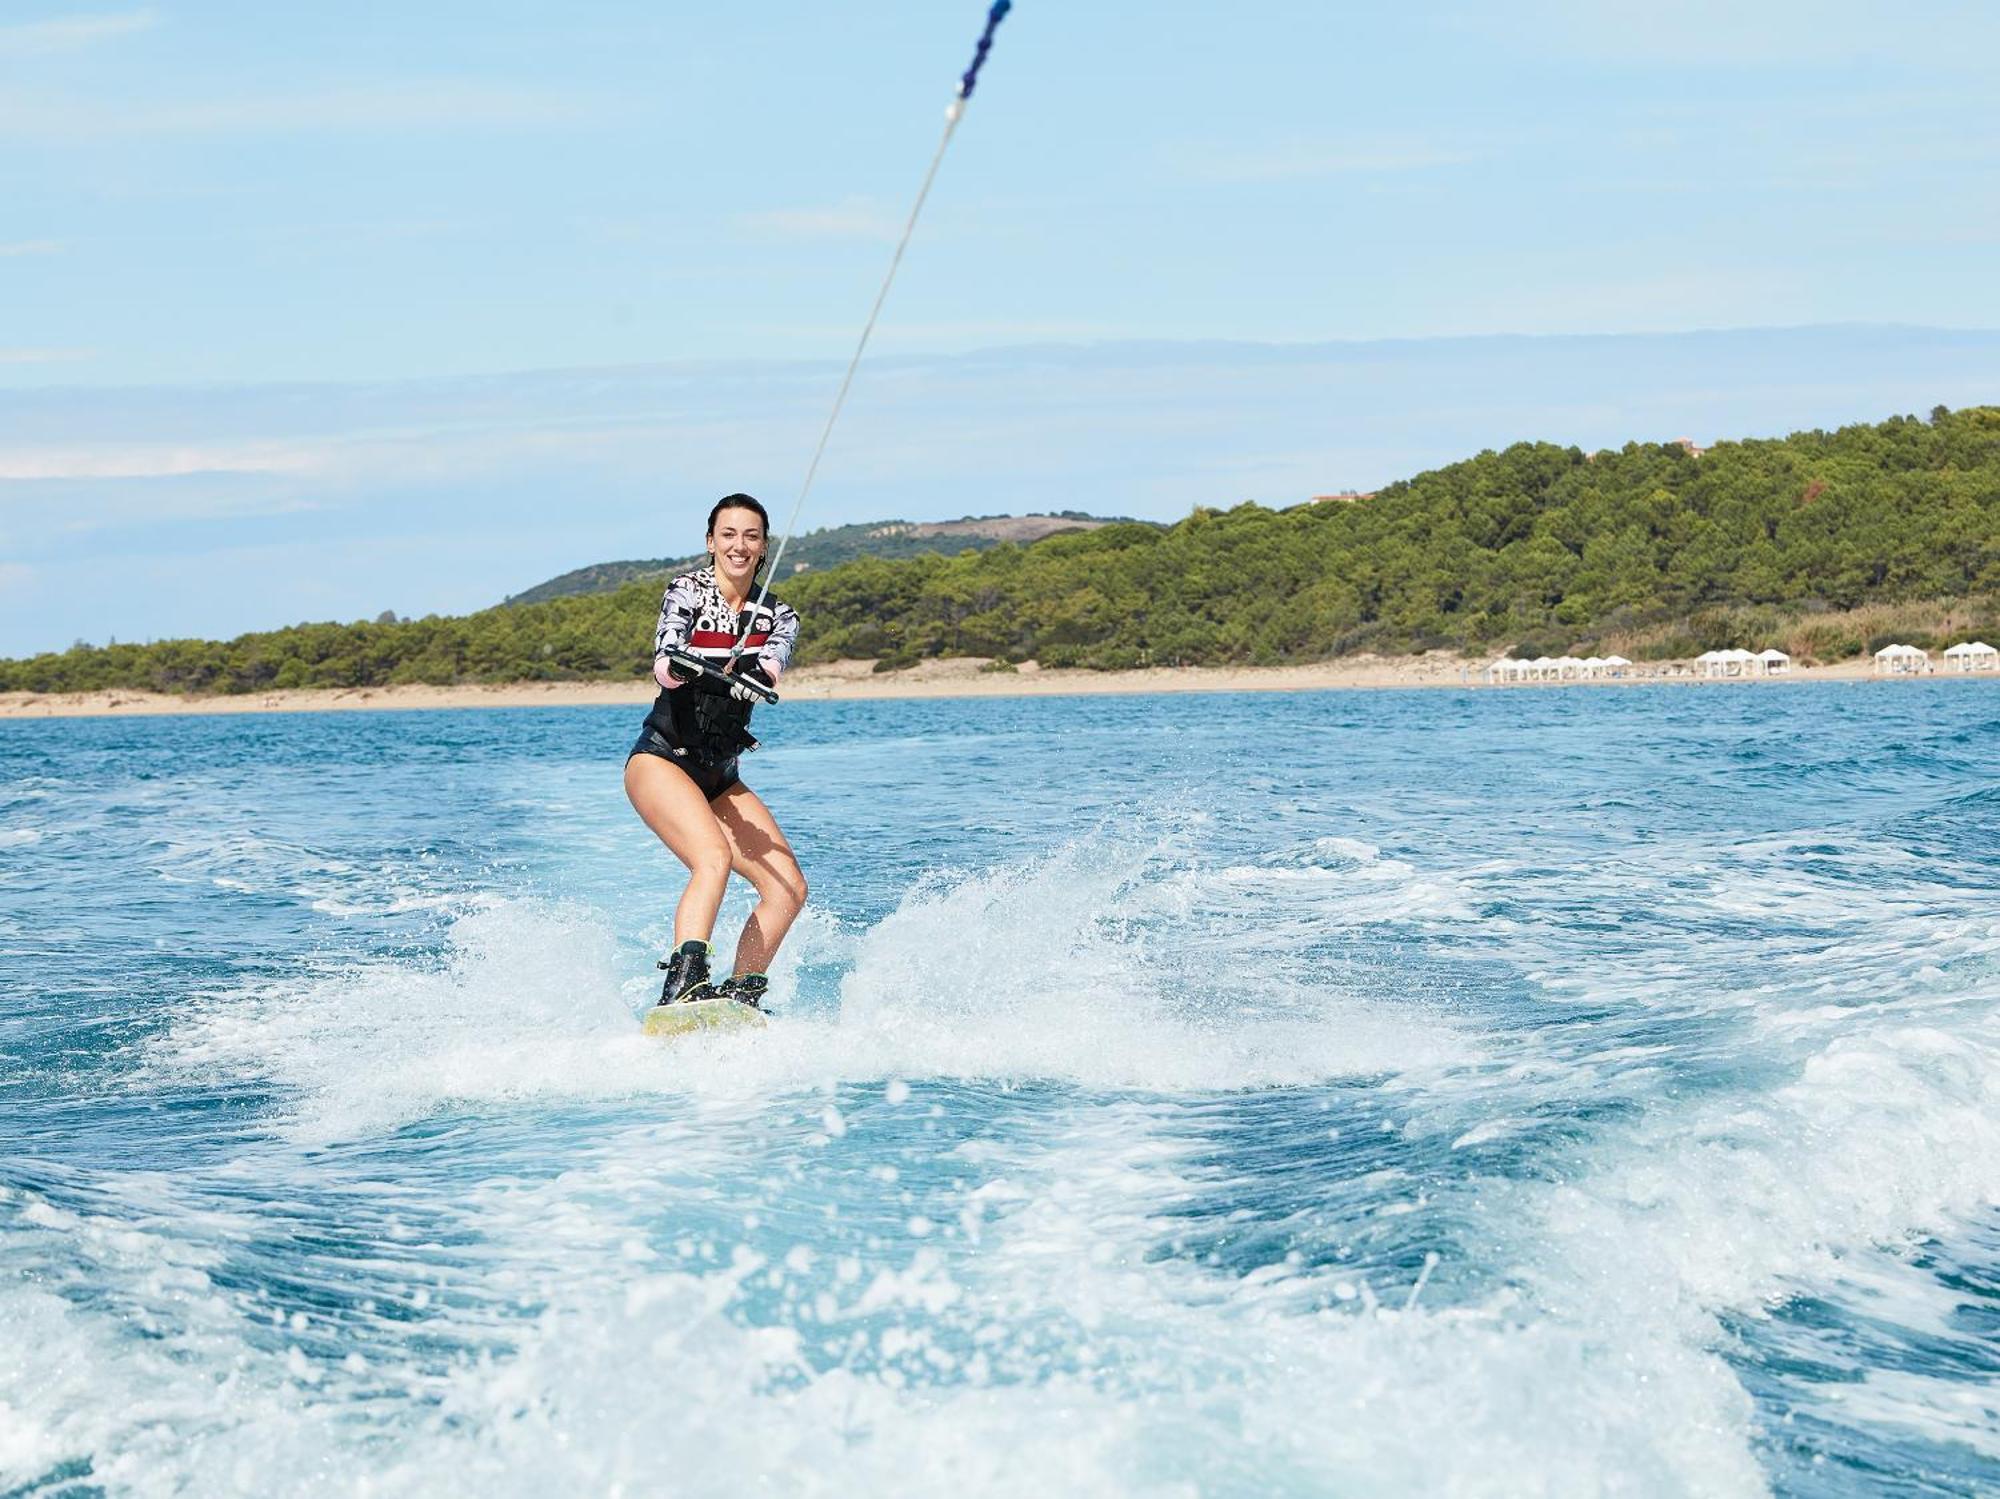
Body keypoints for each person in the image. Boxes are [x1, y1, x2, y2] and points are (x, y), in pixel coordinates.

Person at [624, 494, 807, 1010]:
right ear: (711, 542)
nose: (739, 545)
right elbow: (664, 658)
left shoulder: (779, 615)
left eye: (751, 536)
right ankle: (682, 982)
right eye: (728, 534)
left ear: (764, 546)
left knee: (788, 888)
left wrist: (757, 674)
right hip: (662, 759)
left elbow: (772, 663)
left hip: (720, 774)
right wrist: (680, 668)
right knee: (713, 858)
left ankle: (738, 994)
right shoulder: (687, 590)